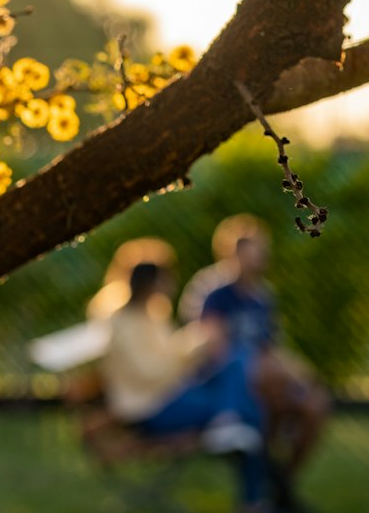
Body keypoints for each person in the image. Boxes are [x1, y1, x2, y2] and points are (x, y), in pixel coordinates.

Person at [183, 215, 329, 509]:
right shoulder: (214, 292)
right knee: (265, 403)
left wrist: (301, 376)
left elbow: (272, 347)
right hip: (229, 385)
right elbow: (214, 351)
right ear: (234, 251)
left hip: (268, 380)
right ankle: (266, 487)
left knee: (316, 405)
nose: (264, 255)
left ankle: (282, 482)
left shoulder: (263, 296)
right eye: (257, 249)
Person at [102, 257, 270, 511]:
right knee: (249, 412)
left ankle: (230, 427)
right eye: (165, 279)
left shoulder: (153, 316)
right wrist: (190, 349)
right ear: (151, 283)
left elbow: (167, 358)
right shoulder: (122, 322)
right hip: (150, 408)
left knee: (237, 364)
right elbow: (150, 372)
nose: (170, 284)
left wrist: (194, 345)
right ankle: (253, 498)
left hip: (171, 396)